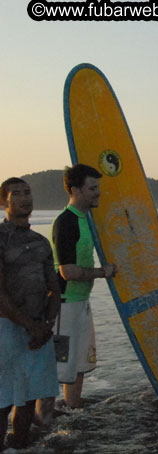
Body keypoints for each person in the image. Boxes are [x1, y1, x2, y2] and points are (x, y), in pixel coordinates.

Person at [39, 164, 117, 417]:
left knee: (79, 365)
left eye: (98, 188)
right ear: (75, 190)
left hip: (81, 302)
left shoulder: (89, 220)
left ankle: (72, 413)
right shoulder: (66, 222)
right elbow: (68, 272)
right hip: (62, 308)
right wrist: (101, 272)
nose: (98, 193)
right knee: (58, 368)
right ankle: (43, 422)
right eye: (92, 188)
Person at [0, 178, 60, 449]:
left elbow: (54, 288)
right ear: (4, 202)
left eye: (28, 192)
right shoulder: (1, 239)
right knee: (4, 398)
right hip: (7, 329)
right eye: (16, 194)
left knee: (31, 395)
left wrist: (47, 325)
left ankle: (21, 445)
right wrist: (29, 326)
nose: (24, 198)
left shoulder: (41, 242)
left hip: (39, 330)